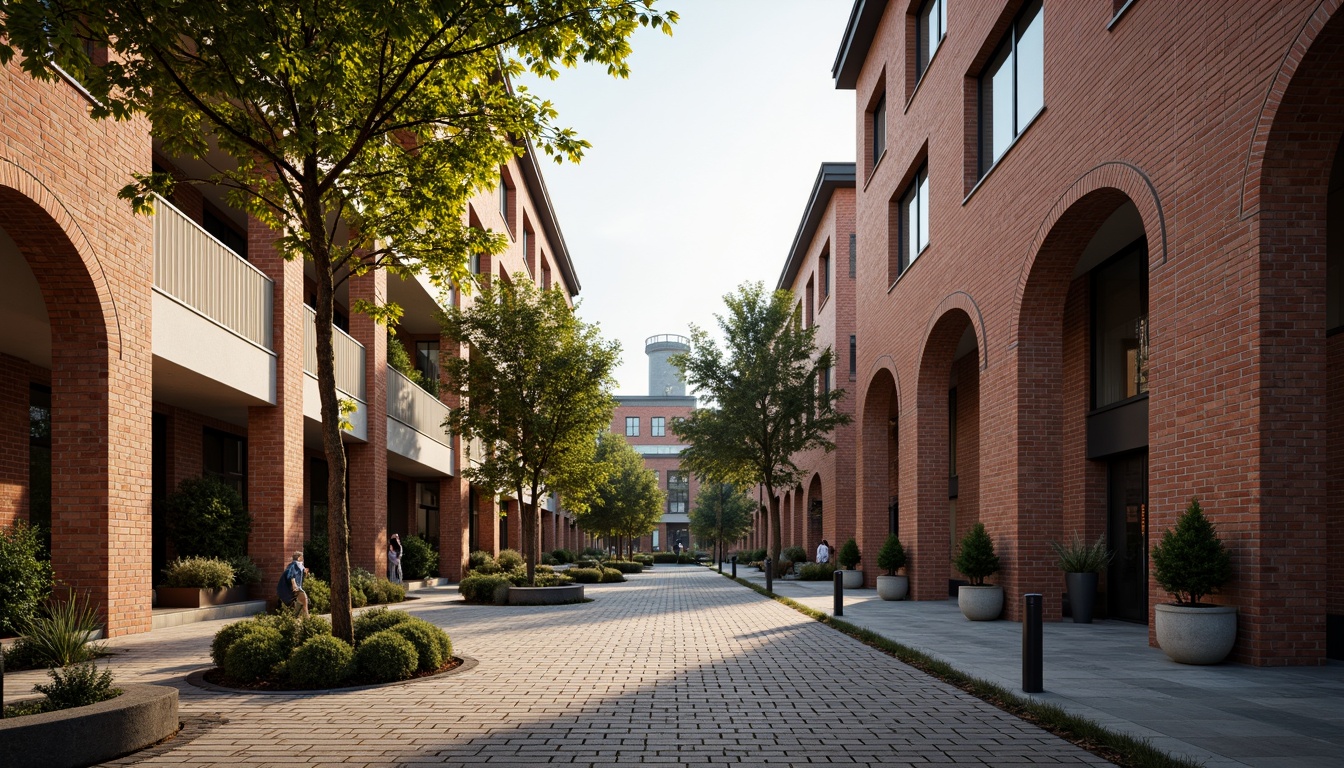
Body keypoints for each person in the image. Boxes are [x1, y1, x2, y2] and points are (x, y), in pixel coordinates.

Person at [277, 552, 309, 618]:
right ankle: (307, 619)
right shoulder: (293, 565)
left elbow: (298, 574)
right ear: (299, 557)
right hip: (295, 588)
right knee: (304, 600)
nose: (302, 559)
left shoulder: (298, 565)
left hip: (297, 587)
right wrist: (294, 585)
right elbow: (291, 575)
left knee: (301, 603)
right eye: (302, 557)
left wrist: (305, 572)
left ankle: (295, 617)